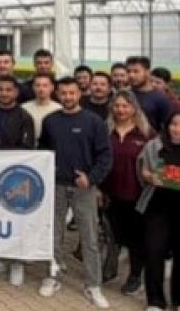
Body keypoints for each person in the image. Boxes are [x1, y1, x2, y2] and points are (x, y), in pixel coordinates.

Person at [38, 76, 112, 307]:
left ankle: (93, 285)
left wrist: (91, 178)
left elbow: (105, 155)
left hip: (84, 188)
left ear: (80, 94)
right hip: (56, 186)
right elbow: (43, 152)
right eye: (63, 93)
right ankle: (53, 276)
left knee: (89, 237)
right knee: (54, 233)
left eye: (72, 93)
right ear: (57, 94)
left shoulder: (94, 121)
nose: (68, 97)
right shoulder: (50, 121)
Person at [136, 109, 180, 311]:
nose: (178, 129)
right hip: (158, 207)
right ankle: (155, 301)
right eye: (174, 124)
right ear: (167, 125)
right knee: (154, 252)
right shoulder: (154, 145)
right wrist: (150, 177)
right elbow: (142, 169)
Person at [0, 75, 35, 287]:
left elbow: (27, 149)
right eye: (0, 89)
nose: (4, 93)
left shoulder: (24, 116)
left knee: (16, 219)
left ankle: (17, 262)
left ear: (16, 92)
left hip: (15, 176)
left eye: (8, 90)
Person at [102, 90, 152, 297]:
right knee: (113, 235)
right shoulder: (104, 131)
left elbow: (156, 162)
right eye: (117, 106)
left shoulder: (146, 134)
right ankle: (110, 269)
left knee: (136, 238)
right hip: (110, 194)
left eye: (125, 106)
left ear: (134, 108)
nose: (121, 110)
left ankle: (135, 275)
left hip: (137, 195)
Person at [126, 56, 172, 132]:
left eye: (136, 71)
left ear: (147, 72)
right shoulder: (123, 95)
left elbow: (167, 127)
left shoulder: (160, 99)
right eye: (128, 71)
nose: (131, 75)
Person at [23, 72, 61, 139]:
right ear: (33, 87)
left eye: (45, 85)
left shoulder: (59, 109)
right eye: (38, 85)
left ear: (52, 87)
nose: (41, 89)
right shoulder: (24, 108)